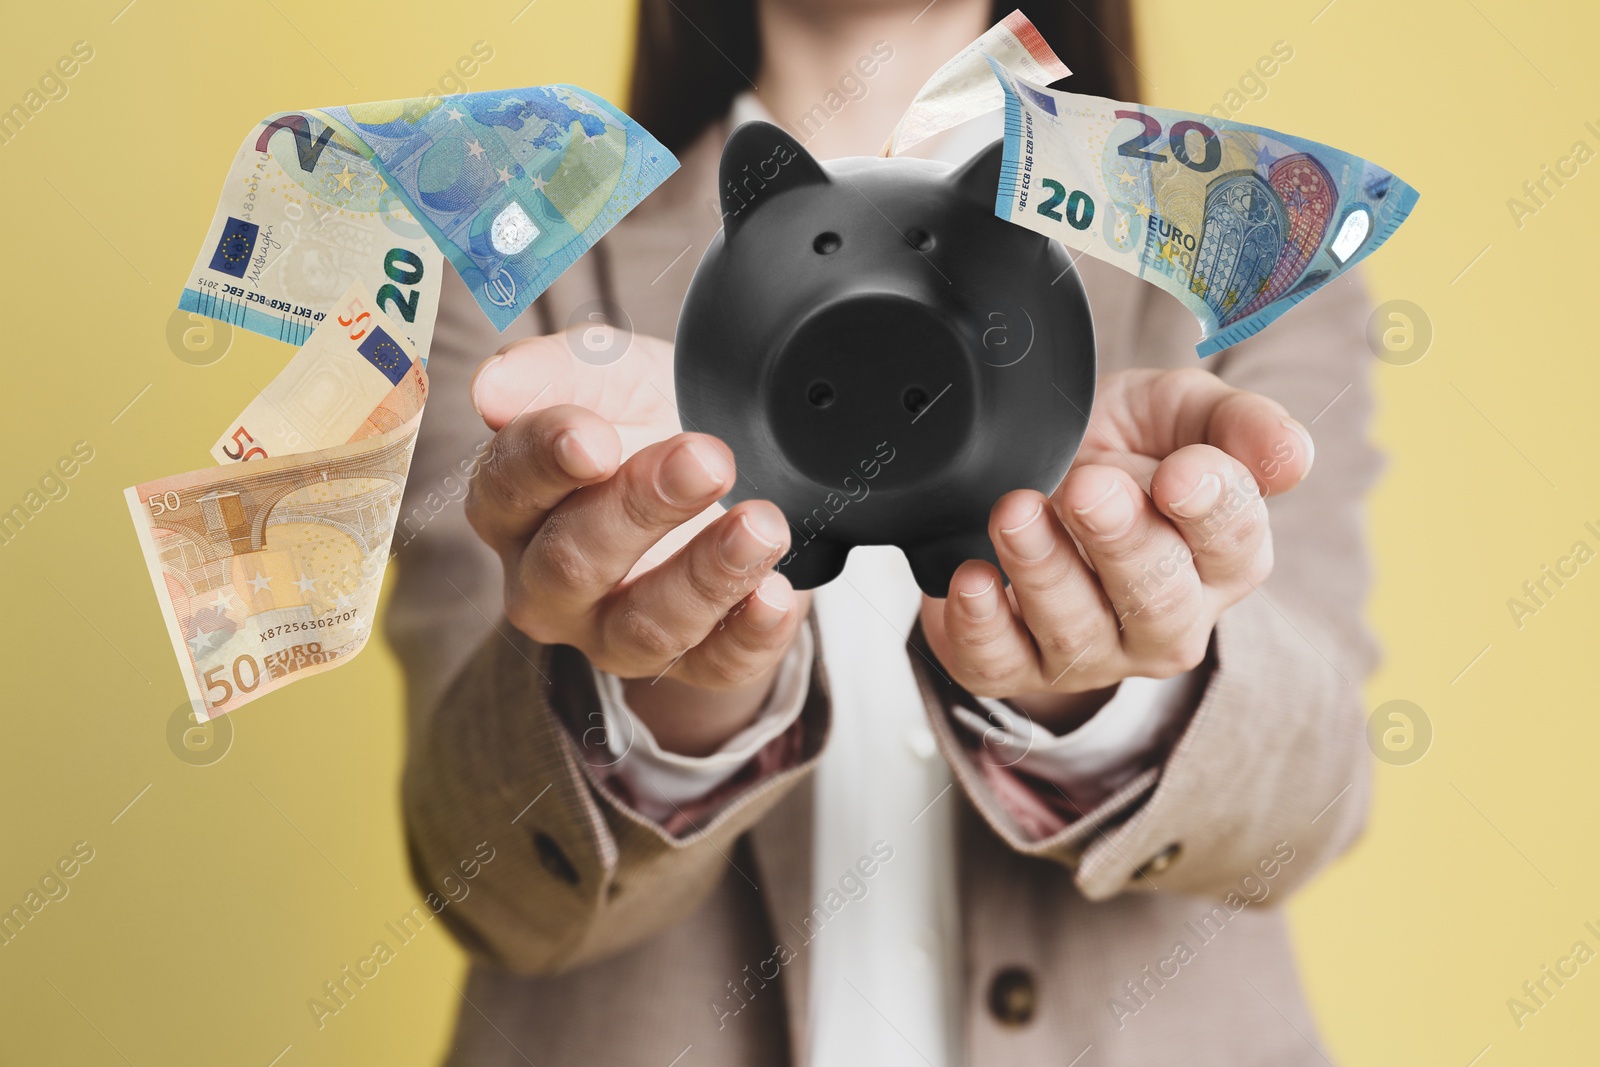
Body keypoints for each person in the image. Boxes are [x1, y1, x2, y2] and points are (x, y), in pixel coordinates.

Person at [388, 0, 1381, 1063]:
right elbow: (480, 877)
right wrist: (669, 684)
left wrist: (1100, 680)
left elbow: (1310, 807)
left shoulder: (1235, 234)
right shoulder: (506, 255)